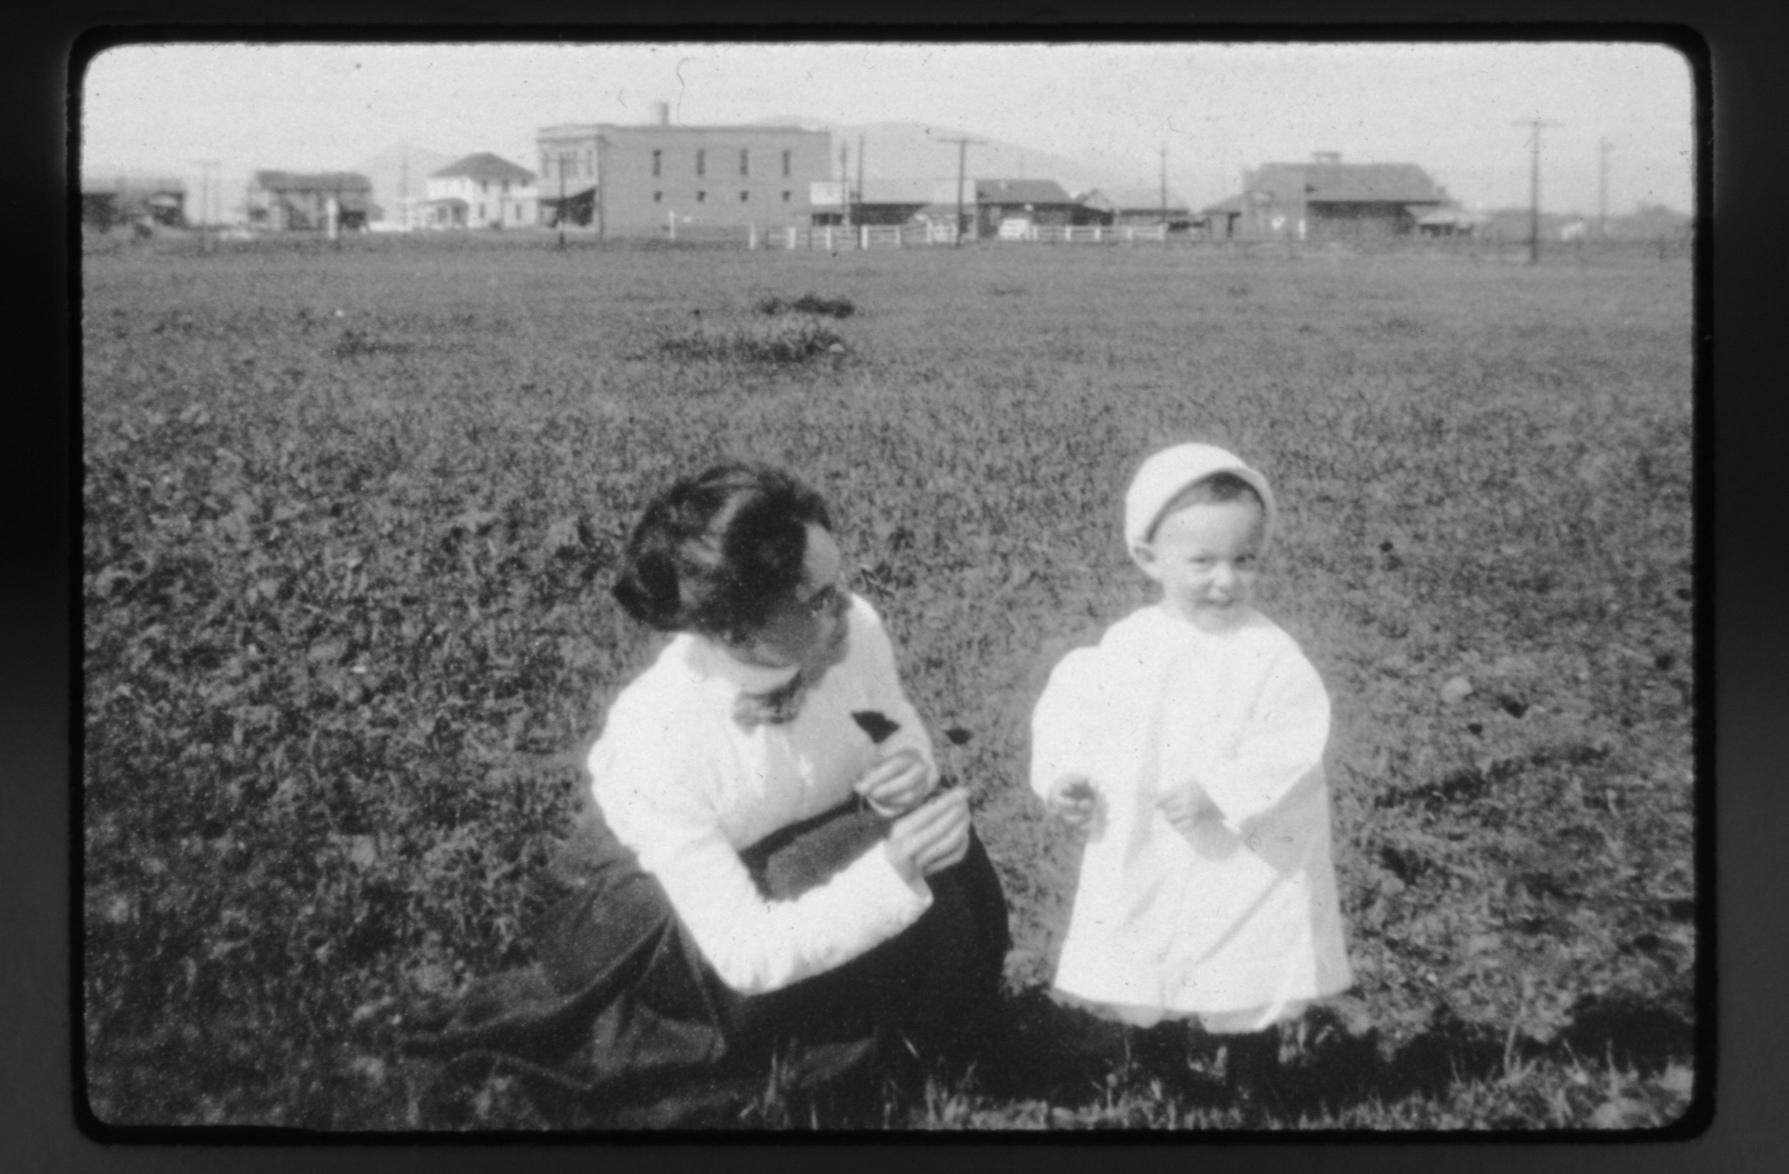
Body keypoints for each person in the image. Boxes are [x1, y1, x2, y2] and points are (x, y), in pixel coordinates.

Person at [406, 461, 1009, 1124]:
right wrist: (888, 874)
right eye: (816, 600)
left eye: (840, 584)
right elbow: (747, 952)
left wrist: (906, 761)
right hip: (661, 910)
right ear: (730, 624)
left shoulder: (852, 627)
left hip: (794, 845)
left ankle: (906, 1034)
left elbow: (884, 712)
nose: (844, 610)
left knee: (925, 857)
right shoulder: (660, 734)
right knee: (863, 881)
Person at [1030, 442, 1353, 1095]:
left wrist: (1224, 791)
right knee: (1145, 941)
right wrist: (1065, 778)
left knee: (1246, 950)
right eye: (1202, 561)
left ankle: (1251, 1074)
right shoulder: (1127, 646)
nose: (1225, 581)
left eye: (1244, 560)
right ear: (1148, 559)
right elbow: (1075, 716)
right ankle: (1158, 1067)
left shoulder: (1269, 654)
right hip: (1147, 837)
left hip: (1245, 845)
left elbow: (1291, 738)